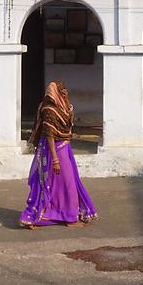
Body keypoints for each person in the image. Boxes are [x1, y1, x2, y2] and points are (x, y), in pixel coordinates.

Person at [19, 81, 97, 228]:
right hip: (52, 150)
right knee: (58, 184)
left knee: (68, 183)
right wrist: (55, 160)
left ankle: (64, 214)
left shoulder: (65, 107)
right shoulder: (48, 109)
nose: (49, 93)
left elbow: (69, 124)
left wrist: (67, 102)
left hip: (65, 148)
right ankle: (65, 218)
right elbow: (49, 135)